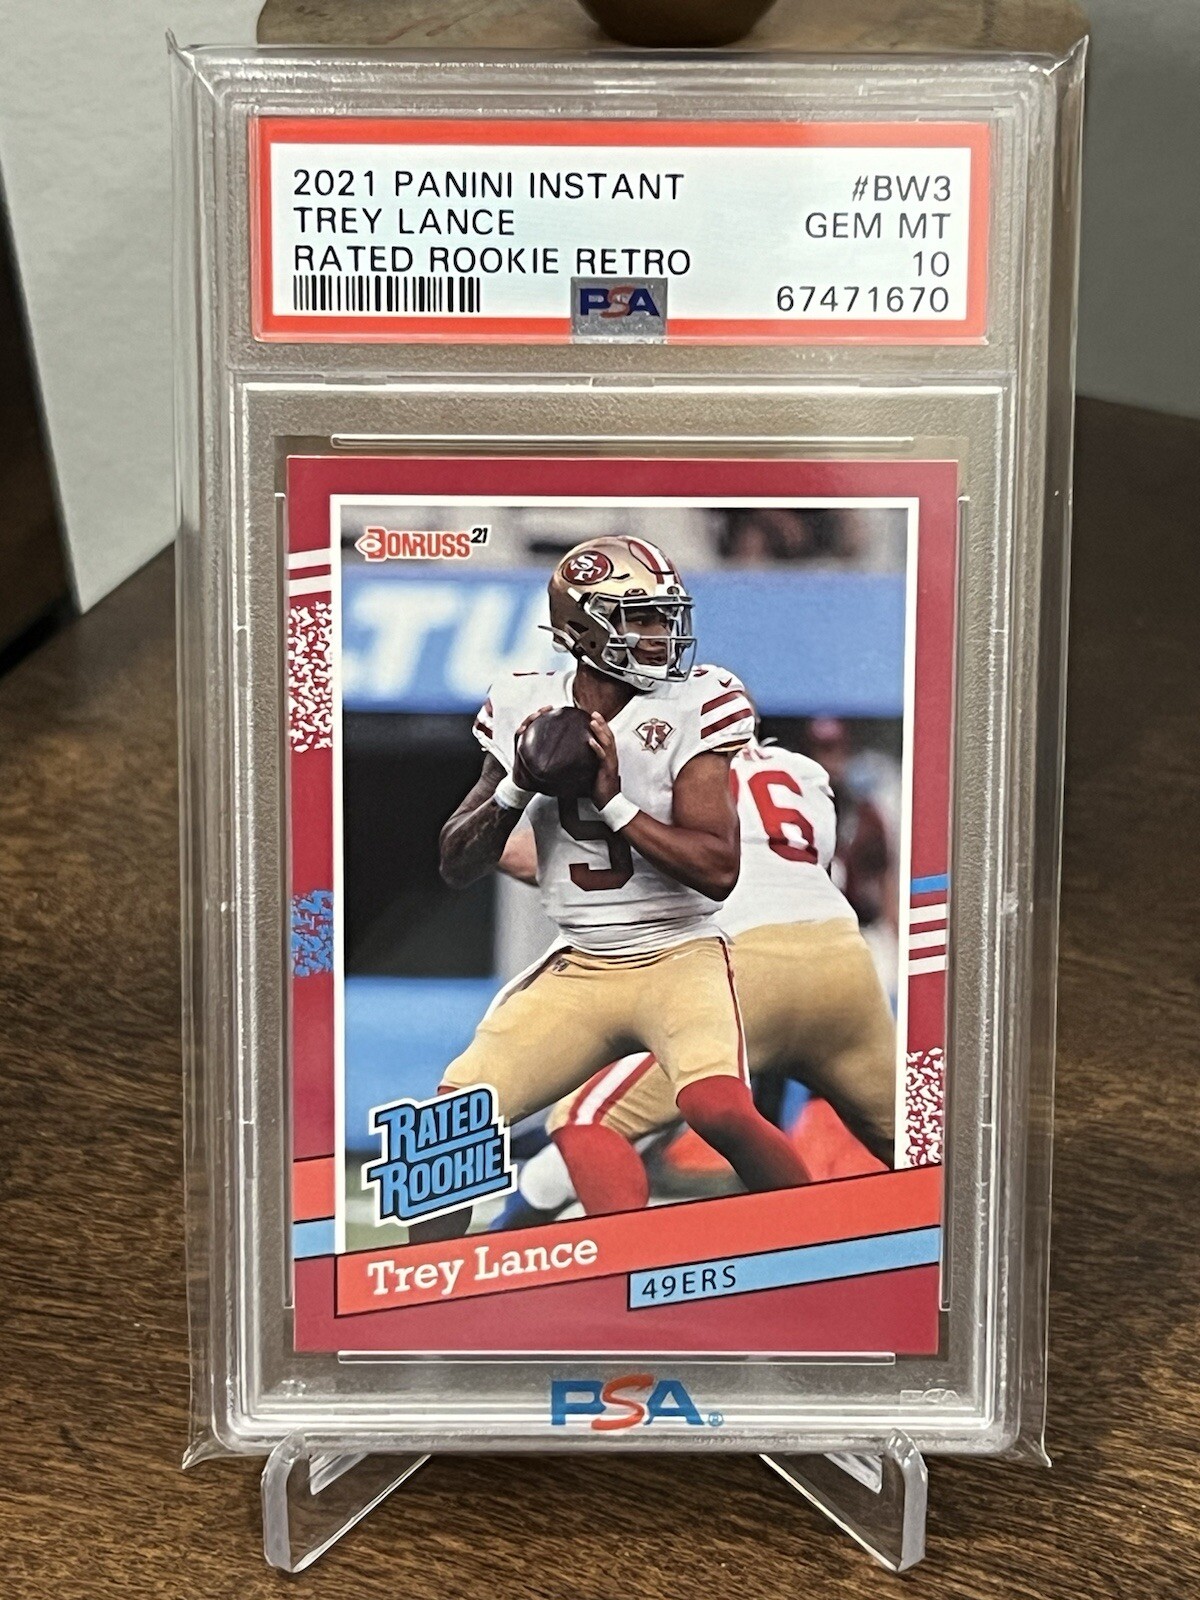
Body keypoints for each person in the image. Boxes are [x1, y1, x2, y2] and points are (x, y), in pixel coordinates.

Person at [420, 536, 810, 1241]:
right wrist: (517, 785)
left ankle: (828, 1245)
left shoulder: (700, 701)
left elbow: (716, 870)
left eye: (666, 616)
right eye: (640, 618)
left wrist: (614, 804)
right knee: (450, 1126)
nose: (661, 634)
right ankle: (423, 1290)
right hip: (582, 963)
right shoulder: (523, 702)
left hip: (679, 954)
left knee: (719, 1108)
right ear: (579, 629)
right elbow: (455, 863)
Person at [496, 737, 897, 1223]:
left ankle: (645, 1261)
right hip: (843, 964)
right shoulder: (802, 771)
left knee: (589, 1118)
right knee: (922, 1145)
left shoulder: (665, 772)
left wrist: (489, 816)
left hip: (741, 967)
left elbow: (579, 870)